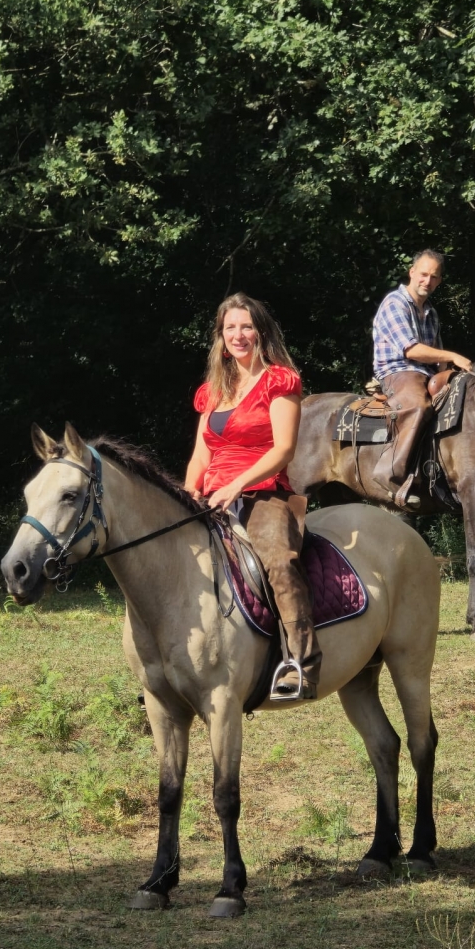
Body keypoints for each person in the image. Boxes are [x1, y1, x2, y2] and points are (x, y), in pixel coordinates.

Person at [185, 293, 321, 700]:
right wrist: (189, 491)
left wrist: (237, 485)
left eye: (246, 326)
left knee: (279, 561)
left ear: (260, 332)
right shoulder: (213, 391)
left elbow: (284, 449)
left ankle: (302, 664)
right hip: (213, 495)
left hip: (263, 492)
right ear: (221, 336)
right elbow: (201, 455)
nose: (238, 334)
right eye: (230, 327)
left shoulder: (279, 381)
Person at [370, 249, 472, 507]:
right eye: (424, 274)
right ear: (412, 272)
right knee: (419, 404)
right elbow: (411, 350)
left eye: (434, 276)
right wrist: (453, 355)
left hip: (426, 373)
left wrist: (450, 374)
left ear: (439, 281)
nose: (428, 281)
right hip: (397, 371)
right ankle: (390, 473)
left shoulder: (430, 312)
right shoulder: (395, 303)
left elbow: (437, 356)